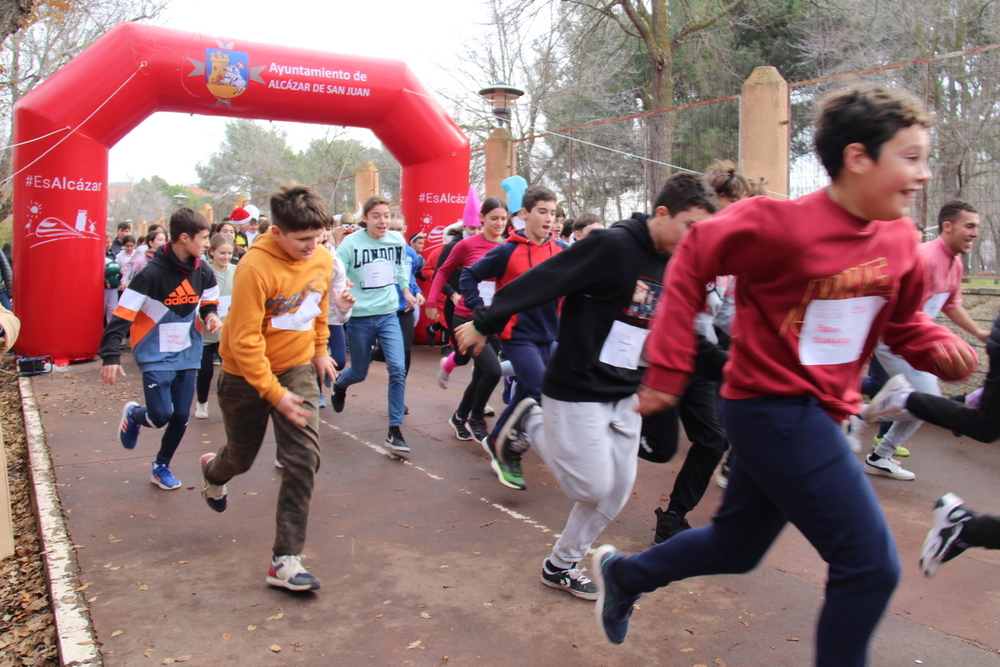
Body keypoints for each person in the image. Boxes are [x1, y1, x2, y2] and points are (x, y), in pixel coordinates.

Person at [592, 84, 978, 667]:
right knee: (869, 565)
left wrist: (936, 344)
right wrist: (669, 366)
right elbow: (693, 257)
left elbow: (898, 325)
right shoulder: (779, 224)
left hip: (823, 411)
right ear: (857, 158)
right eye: (911, 157)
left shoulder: (899, 239)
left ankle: (626, 576)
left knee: (738, 545)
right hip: (770, 405)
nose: (923, 174)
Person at [455, 173, 716, 600]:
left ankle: (561, 564)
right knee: (589, 487)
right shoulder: (612, 246)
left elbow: (685, 332)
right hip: (577, 385)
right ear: (663, 213)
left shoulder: (676, 264)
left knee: (613, 494)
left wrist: (740, 366)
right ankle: (527, 424)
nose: (695, 239)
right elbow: (546, 279)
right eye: (690, 227)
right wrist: (486, 321)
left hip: (625, 390)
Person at [200, 185, 335, 592]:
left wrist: (319, 350)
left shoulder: (322, 258)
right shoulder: (255, 268)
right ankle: (213, 470)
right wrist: (274, 394)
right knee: (239, 459)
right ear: (277, 233)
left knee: (303, 458)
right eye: (303, 240)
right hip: (244, 375)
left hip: (296, 368)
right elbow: (243, 341)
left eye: (319, 238)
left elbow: (318, 305)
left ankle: (284, 560)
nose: (313, 247)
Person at [652, 160, 754, 543]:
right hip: (661, 356)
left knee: (713, 439)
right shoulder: (681, 247)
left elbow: (727, 312)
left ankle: (674, 514)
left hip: (700, 358)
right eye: (725, 205)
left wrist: (753, 341)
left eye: (738, 205)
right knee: (652, 446)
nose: (732, 215)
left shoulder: (731, 259)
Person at [861, 199, 990, 480]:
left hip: (917, 340)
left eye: (977, 227)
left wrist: (979, 333)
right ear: (947, 226)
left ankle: (880, 454)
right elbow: (897, 309)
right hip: (897, 337)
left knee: (926, 403)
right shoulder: (924, 258)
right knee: (929, 401)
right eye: (969, 226)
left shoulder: (954, 264)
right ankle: (853, 414)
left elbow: (951, 304)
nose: (975, 233)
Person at [99, 207, 220, 491]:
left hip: (188, 351)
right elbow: (122, 315)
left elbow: (209, 302)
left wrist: (212, 316)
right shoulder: (150, 275)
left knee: (180, 416)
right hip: (154, 352)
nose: (207, 244)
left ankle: (161, 465)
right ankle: (134, 415)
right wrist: (110, 355)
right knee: (161, 416)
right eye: (203, 238)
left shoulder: (203, 270)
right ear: (184, 238)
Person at [458, 185, 563, 490]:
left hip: (550, 337)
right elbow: (469, 276)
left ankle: (495, 439)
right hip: (517, 336)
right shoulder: (507, 250)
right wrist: (481, 313)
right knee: (539, 391)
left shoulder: (562, 252)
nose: (549, 218)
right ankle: (509, 454)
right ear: (525, 214)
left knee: (527, 395)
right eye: (542, 211)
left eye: (553, 213)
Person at [330, 196, 418, 457]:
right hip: (360, 317)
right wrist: (343, 286)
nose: (383, 221)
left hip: (389, 313)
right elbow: (337, 272)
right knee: (359, 371)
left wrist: (406, 289)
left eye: (386, 216)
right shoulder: (351, 244)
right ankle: (341, 384)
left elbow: (401, 269)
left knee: (398, 367)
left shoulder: (396, 241)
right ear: (365, 218)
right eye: (377, 216)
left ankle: (395, 430)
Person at [427, 197, 507, 442]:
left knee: (481, 373)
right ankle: (475, 418)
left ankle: (459, 417)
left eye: (503, 219)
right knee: (493, 371)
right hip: (466, 318)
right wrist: (431, 303)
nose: (499, 223)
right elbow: (442, 272)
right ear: (481, 218)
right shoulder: (466, 245)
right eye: (494, 218)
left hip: (492, 319)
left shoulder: (508, 246)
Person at [194, 234, 236, 419]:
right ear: (211, 252)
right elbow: (196, 302)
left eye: (229, 253)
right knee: (205, 372)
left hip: (228, 330)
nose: (225, 257)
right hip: (205, 332)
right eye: (222, 253)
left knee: (231, 371)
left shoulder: (236, 270)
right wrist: (206, 318)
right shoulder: (203, 272)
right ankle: (202, 403)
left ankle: (230, 403)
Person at [387, 212, 426, 375]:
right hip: (385, 310)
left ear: (405, 229)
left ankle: (399, 389)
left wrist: (417, 292)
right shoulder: (380, 251)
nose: (396, 233)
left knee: (405, 351)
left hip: (405, 308)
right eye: (392, 229)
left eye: (399, 229)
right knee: (387, 353)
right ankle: (368, 355)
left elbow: (411, 280)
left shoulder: (411, 253)